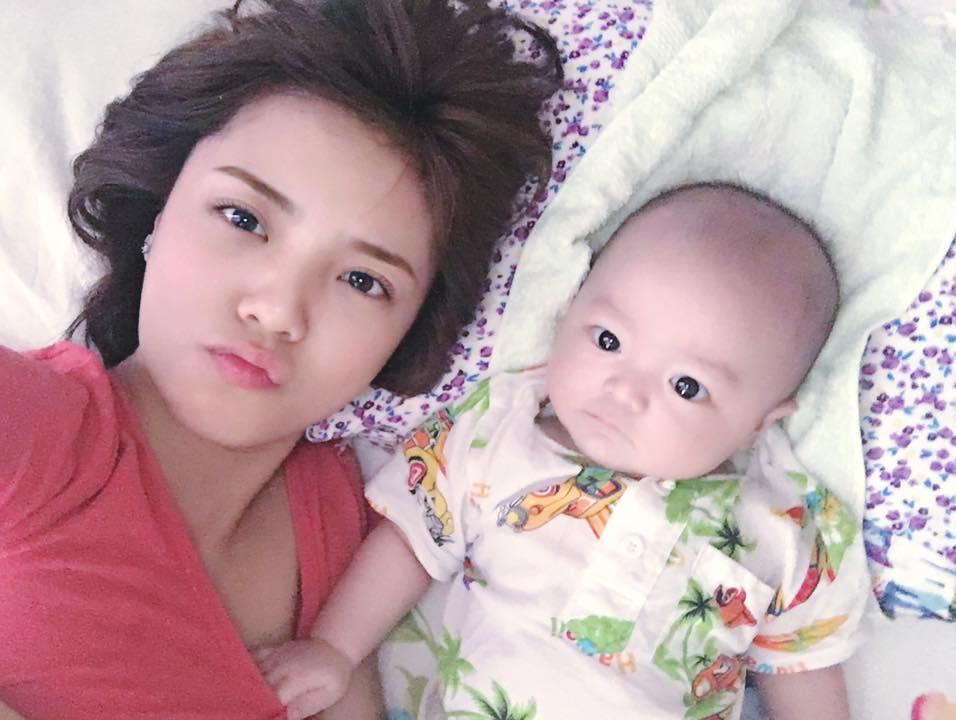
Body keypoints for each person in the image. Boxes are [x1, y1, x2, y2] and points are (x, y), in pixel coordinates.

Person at [0, 1, 562, 718]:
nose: (278, 312)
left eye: (363, 281)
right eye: (243, 218)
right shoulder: (33, 428)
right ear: (158, 214)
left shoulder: (349, 534)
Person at [255, 182, 863, 719]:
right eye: (608, 340)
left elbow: (803, 669)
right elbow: (412, 540)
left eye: (686, 386)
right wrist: (336, 649)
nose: (624, 390)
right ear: (569, 312)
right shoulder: (497, 437)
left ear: (759, 424)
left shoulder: (783, 528)